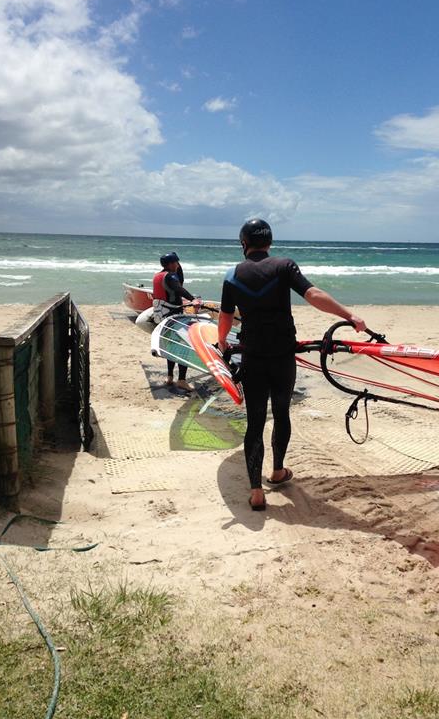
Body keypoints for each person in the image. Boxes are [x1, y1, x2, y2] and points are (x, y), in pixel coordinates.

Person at [217, 219, 366, 511]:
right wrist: (350, 316)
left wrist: (222, 342)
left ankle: (256, 492)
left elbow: (225, 316)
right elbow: (313, 295)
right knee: (282, 412)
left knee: (255, 421)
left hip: (252, 355)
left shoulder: (232, 274)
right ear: (269, 243)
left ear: (243, 243)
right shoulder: (285, 266)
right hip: (283, 356)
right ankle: (277, 471)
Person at [153, 252, 202, 390]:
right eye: (176, 262)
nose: (178, 265)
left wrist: (178, 269)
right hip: (174, 315)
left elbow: (179, 282)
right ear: (171, 264)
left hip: (162, 317)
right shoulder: (170, 276)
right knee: (184, 346)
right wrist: (193, 299)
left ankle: (169, 377)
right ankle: (181, 380)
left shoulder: (159, 275)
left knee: (171, 345)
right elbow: (179, 288)